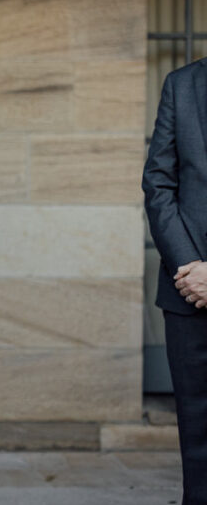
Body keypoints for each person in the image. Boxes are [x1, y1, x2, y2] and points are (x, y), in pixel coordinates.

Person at [143, 61, 207, 505]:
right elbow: (158, 183)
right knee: (197, 433)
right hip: (189, 293)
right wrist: (191, 266)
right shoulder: (182, 85)